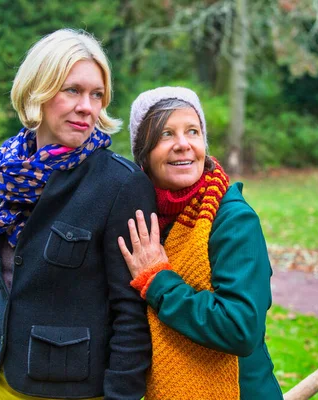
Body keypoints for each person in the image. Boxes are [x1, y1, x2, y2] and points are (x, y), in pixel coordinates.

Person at [0, 29, 154, 400]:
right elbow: (5, 285)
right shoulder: (8, 173)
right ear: (37, 92)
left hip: (74, 391)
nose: (87, 107)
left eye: (97, 95)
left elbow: (132, 313)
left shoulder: (120, 185)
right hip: (1, 383)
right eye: (72, 90)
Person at [117, 86, 283, 399]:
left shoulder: (232, 220)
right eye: (166, 134)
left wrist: (157, 281)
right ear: (143, 153)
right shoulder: (140, 221)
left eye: (192, 131)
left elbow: (241, 327)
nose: (183, 145)